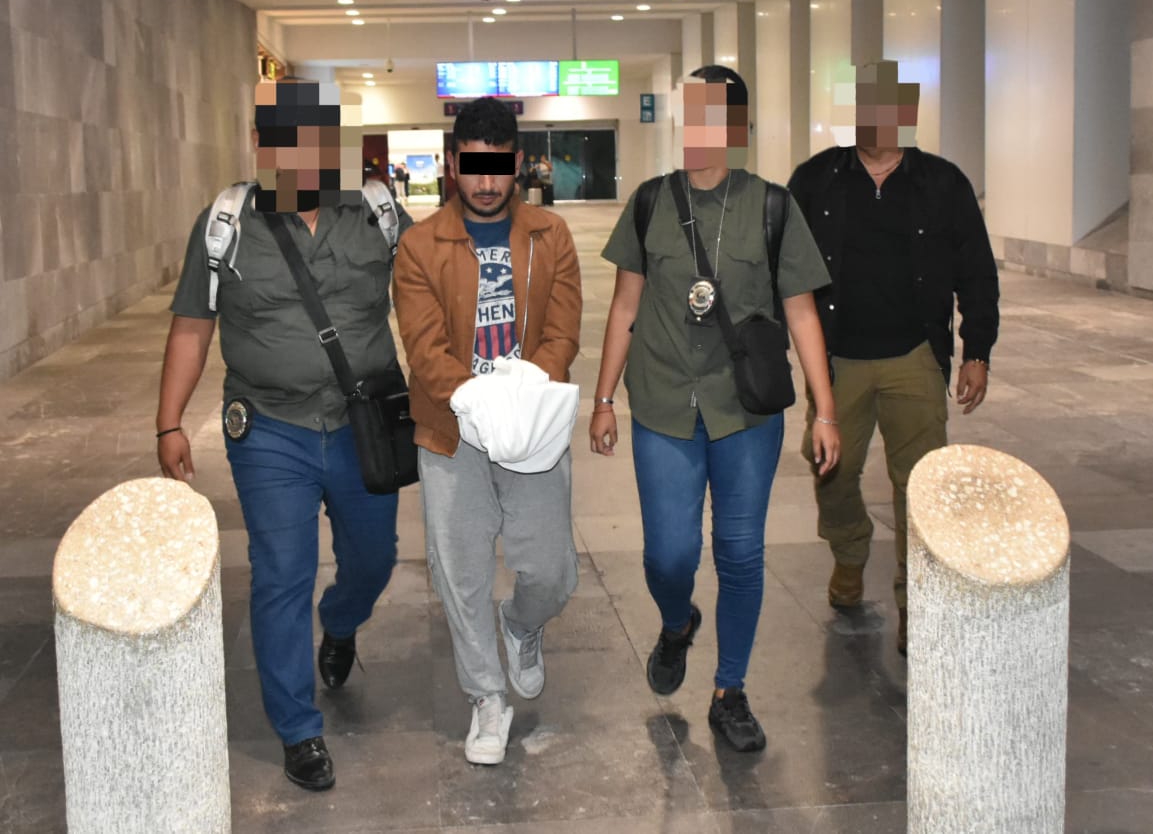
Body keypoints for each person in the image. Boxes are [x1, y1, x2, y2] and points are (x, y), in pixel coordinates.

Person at [156, 79, 413, 791]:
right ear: (260, 145)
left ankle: (342, 621)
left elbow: (429, 294)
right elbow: (192, 326)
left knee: (374, 559)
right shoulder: (226, 223)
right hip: (270, 428)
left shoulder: (375, 212)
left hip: (364, 426)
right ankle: (298, 730)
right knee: (280, 574)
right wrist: (169, 421)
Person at [591, 66, 840, 752]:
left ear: (736, 127)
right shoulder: (650, 201)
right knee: (668, 555)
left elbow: (801, 312)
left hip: (744, 411)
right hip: (664, 403)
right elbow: (625, 305)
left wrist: (824, 411)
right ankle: (677, 622)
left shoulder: (771, 206)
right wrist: (603, 399)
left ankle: (730, 691)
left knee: (740, 552)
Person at [393, 97, 582, 765]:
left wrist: (521, 396)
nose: (485, 182)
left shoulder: (550, 236)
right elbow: (424, 349)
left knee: (552, 570)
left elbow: (562, 332)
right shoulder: (419, 246)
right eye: (472, 167)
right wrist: (480, 403)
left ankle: (522, 625)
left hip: (531, 428)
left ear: (517, 165)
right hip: (452, 431)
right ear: (452, 165)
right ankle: (486, 698)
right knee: (461, 573)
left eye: (497, 167)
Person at [787, 60, 999, 655]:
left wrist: (977, 350)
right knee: (830, 471)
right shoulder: (816, 180)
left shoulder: (942, 183)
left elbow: (977, 270)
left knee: (922, 486)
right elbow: (784, 267)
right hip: (839, 362)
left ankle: (914, 603)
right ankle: (850, 550)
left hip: (915, 356)